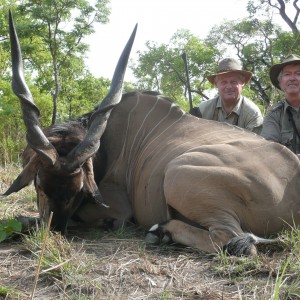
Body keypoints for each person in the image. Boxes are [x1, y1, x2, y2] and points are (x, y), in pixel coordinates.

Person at [191, 58, 263, 133]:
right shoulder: (202, 109)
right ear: (216, 84)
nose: (229, 87)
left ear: (242, 83)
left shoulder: (253, 114)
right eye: (224, 82)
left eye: (233, 82)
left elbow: (253, 143)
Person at [261, 54, 300, 155]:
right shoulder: (273, 115)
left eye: (298, 74)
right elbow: (268, 150)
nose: (292, 78)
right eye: (287, 74)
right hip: (286, 169)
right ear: (280, 82)